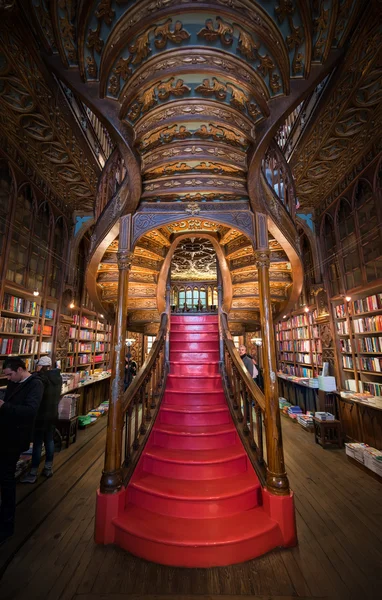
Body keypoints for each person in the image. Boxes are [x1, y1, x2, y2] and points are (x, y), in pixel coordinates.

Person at [0, 357, 43, 543]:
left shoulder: (35, 384)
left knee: (6, 477)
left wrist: (3, 406)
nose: (8, 379)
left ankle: (7, 524)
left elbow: (30, 411)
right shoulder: (15, 382)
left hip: (15, 438)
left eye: (9, 375)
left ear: (19, 370)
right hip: (5, 434)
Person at [21, 356, 62, 484]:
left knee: (38, 442)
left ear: (40, 366)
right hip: (52, 413)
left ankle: (33, 472)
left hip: (40, 414)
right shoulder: (57, 377)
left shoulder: (40, 380)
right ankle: (48, 468)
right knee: (49, 439)